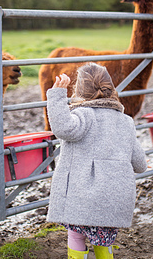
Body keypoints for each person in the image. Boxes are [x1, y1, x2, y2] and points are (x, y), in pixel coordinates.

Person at [45, 63, 147, 259]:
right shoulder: (126, 122)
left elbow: (63, 128)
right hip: (113, 201)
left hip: (83, 198)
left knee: (76, 234)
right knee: (104, 240)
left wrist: (57, 95)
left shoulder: (84, 115)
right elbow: (140, 165)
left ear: (79, 90)